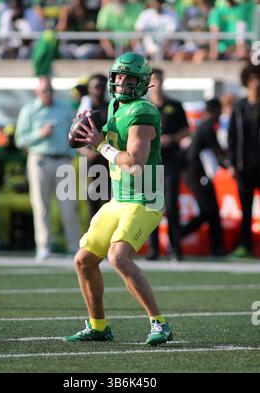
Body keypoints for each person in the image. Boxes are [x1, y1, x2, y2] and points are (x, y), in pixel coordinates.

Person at [64, 52, 172, 345]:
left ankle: (159, 323)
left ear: (142, 83)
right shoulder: (115, 104)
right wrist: (87, 138)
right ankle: (98, 326)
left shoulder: (143, 112)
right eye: (119, 76)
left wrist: (100, 145)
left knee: (118, 257)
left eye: (129, 78)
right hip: (119, 197)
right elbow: (103, 145)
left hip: (145, 197)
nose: (121, 82)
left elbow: (135, 162)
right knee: (84, 261)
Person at [15, 77, 81, 261]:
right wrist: (39, 134)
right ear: (37, 92)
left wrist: (71, 154)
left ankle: (74, 246)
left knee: (69, 205)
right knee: (41, 205)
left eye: (50, 90)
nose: (48, 94)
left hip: (62, 160)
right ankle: (43, 246)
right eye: (44, 91)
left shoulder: (64, 108)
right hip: (39, 161)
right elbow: (20, 140)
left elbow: (73, 132)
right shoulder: (29, 110)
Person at [146, 68, 189, 261]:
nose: (157, 83)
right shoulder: (142, 107)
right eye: (153, 79)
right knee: (152, 207)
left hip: (170, 161)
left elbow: (186, 130)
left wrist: (172, 138)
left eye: (159, 79)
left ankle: (176, 249)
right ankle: (153, 250)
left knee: (171, 206)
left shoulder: (175, 105)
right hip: (149, 162)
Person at [181, 98, 226, 256]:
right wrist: (230, 165)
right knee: (209, 210)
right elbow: (218, 151)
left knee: (212, 210)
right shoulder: (206, 128)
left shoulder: (204, 127)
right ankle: (179, 235)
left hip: (198, 174)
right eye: (219, 111)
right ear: (214, 111)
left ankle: (217, 247)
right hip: (196, 174)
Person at [228, 63, 260, 258]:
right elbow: (232, 137)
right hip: (244, 165)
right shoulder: (239, 107)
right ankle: (244, 245)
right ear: (246, 82)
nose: (255, 83)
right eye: (252, 79)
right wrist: (232, 163)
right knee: (245, 209)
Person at [77, 74, 111, 219]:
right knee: (93, 202)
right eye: (96, 86)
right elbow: (76, 136)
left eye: (102, 86)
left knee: (111, 201)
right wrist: (85, 152)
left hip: (109, 158)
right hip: (92, 160)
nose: (99, 90)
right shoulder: (86, 107)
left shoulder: (111, 107)